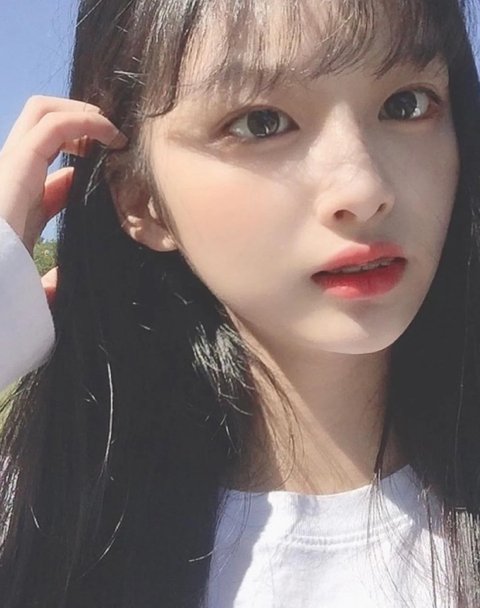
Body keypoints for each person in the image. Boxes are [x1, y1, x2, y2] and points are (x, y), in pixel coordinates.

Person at [0, 0, 480, 605]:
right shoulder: (40, 516)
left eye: (406, 104)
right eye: (261, 123)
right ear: (140, 198)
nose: (363, 189)